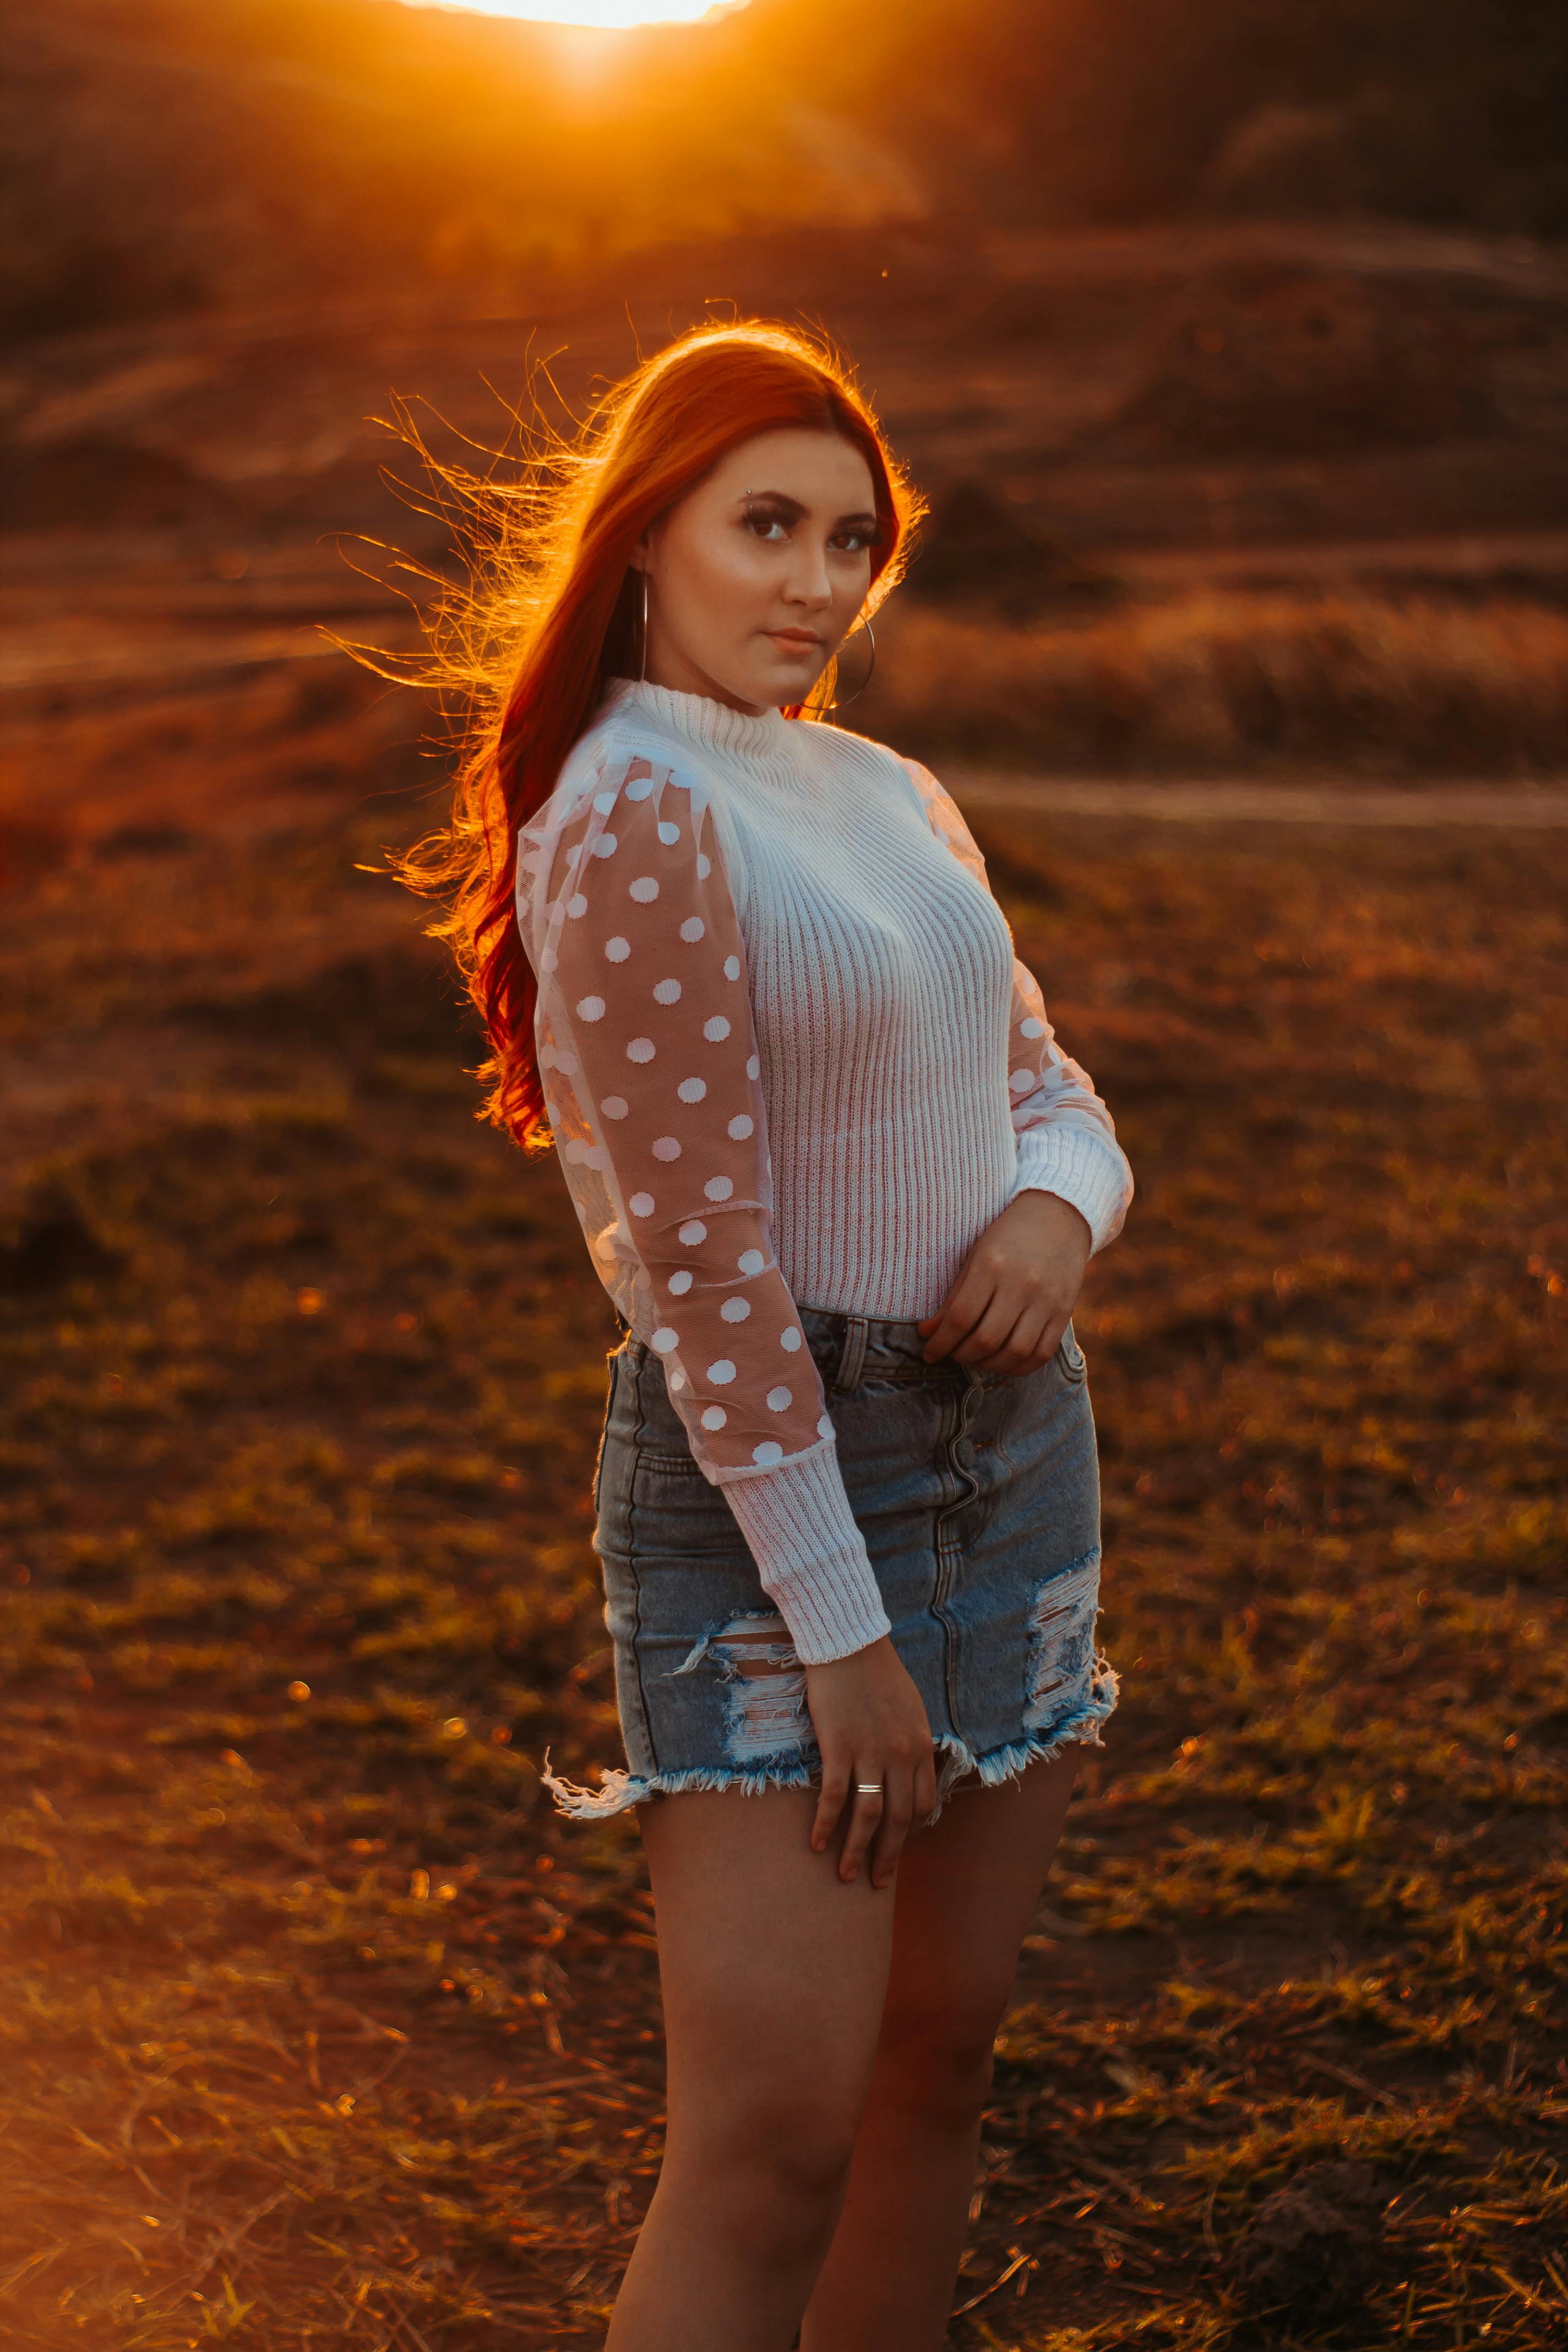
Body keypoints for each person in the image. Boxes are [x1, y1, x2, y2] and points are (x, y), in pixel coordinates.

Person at [399, 320, 1133, 2351]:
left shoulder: (889, 788)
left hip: (1015, 1454)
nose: (816, 584)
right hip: (780, 1498)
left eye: (852, 542)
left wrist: (1063, 1215)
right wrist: (844, 1633)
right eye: (768, 526)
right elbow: (702, 1283)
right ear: (648, 540)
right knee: (769, 2147)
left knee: (939, 2070)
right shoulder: (629, 809)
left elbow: (1052, 1088)